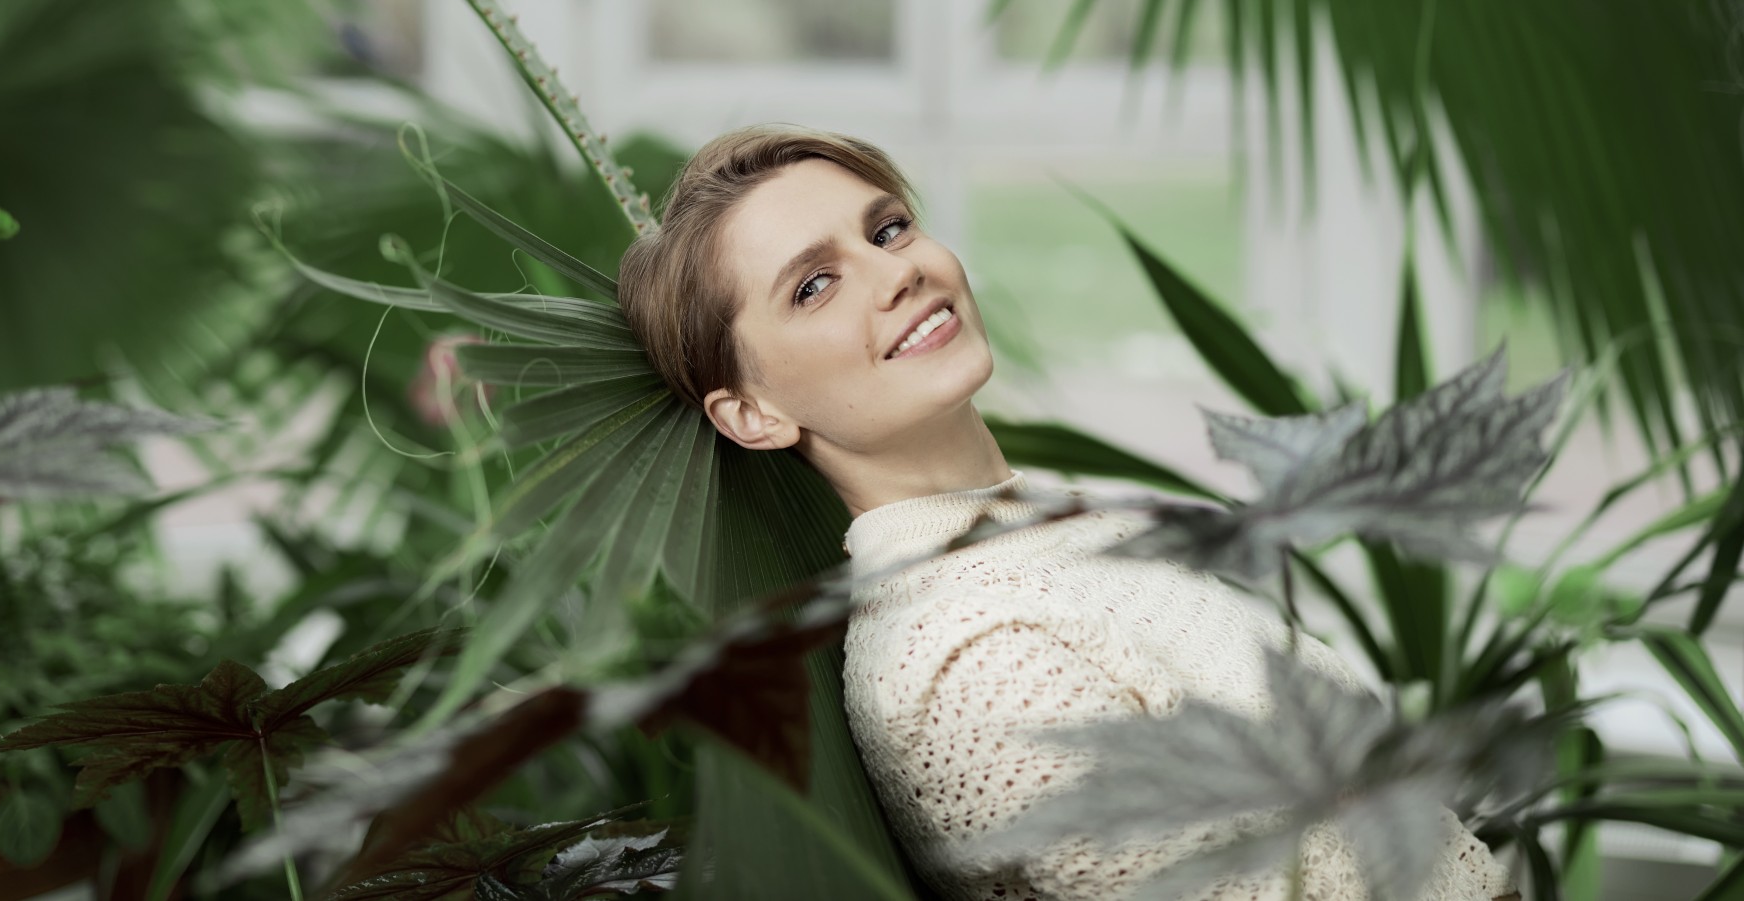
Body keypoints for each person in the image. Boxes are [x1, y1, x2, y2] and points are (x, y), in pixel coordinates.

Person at [616, 125, 1518, 901]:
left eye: (888, 228)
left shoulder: (1035, 525)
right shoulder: (969, 663)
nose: (897, 273)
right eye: (814, 285)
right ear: (752, 414)